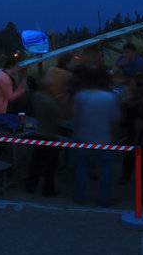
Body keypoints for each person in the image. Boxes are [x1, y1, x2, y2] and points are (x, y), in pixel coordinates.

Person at [70, 68, 120, 207]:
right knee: (105, 170)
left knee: (81, 168)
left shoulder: (81, 96)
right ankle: (105, 199)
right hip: (104, 139)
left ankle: (79, 196)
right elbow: (115, 119)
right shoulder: (110, 97)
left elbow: (75, 116)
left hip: (83, 138)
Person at [24, 76, 63, 197]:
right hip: (50, 136)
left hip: (38, 134)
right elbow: (59, 116)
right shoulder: (50, 103)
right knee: (50, 166)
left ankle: (31, 186)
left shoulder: (36, 97)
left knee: (36, 163)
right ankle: (48, 189)